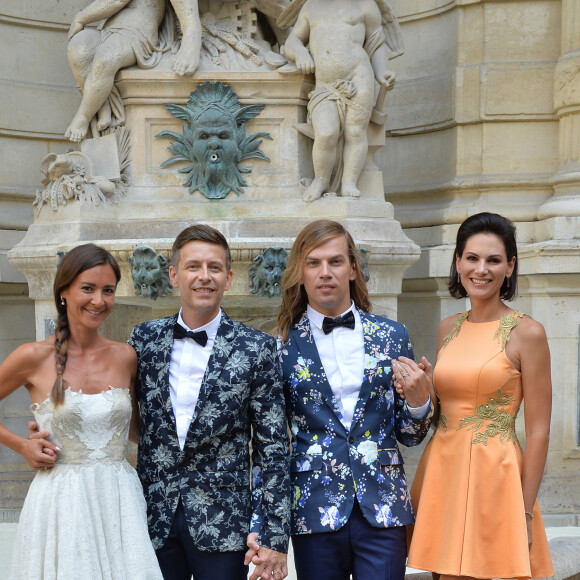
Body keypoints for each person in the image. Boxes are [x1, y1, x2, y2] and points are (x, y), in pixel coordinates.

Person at [252, 219, 432, 579]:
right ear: (299, 274)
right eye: (313, 263)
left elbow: (410, 435)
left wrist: (420, 401)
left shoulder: (392, 336)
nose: (325, 272)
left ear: (352, 268)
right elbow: (268, 445)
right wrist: (265, 524)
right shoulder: (277, 346)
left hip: (383, 507)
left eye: (335, 262)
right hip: (313, 508)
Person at [127, 224, 290, 580]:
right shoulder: (143, 340)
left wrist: (274, 534)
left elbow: (273, 448)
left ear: (229, 278)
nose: (205, 277)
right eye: (193, 267)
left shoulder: (257, 348)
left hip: (224, 523)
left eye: (214, 268)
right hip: (152, 516)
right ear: (173, 275)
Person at [404, 212, 554, 579]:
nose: (481, 269)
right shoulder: (447, 328)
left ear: (510, 266)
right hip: (442, 467)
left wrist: (525, 510)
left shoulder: (528, 333)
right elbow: (440, 412)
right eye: (472, 258)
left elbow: (538, 432)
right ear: (457, 262)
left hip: (496, 473)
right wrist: (421, 389)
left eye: (493, 260)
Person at [3, 244, 163, 579]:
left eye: (108, 290)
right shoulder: (31, 356)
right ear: (63, 292)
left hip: (120, 499)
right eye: (87, 289)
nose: (99, 301)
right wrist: (23, 446)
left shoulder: (126, 357)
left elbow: (138, 430)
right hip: (61, 502)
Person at [282, 0, 398, 201]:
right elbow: (292, 41)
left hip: (359, 76)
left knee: (355, 132)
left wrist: (382, 72)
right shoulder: (311, 6)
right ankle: (321, 179)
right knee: (326, 132)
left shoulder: (365, 5)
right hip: (325, 83)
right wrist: (300, 52)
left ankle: (349, 181)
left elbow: (376, 43)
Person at [65, 0, 202, 142]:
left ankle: (83, 116)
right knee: (78, 48)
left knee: (105, 60)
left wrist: (81, 18)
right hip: (109, 27)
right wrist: (80, 18)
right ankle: (101, 103)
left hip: (138, 30)